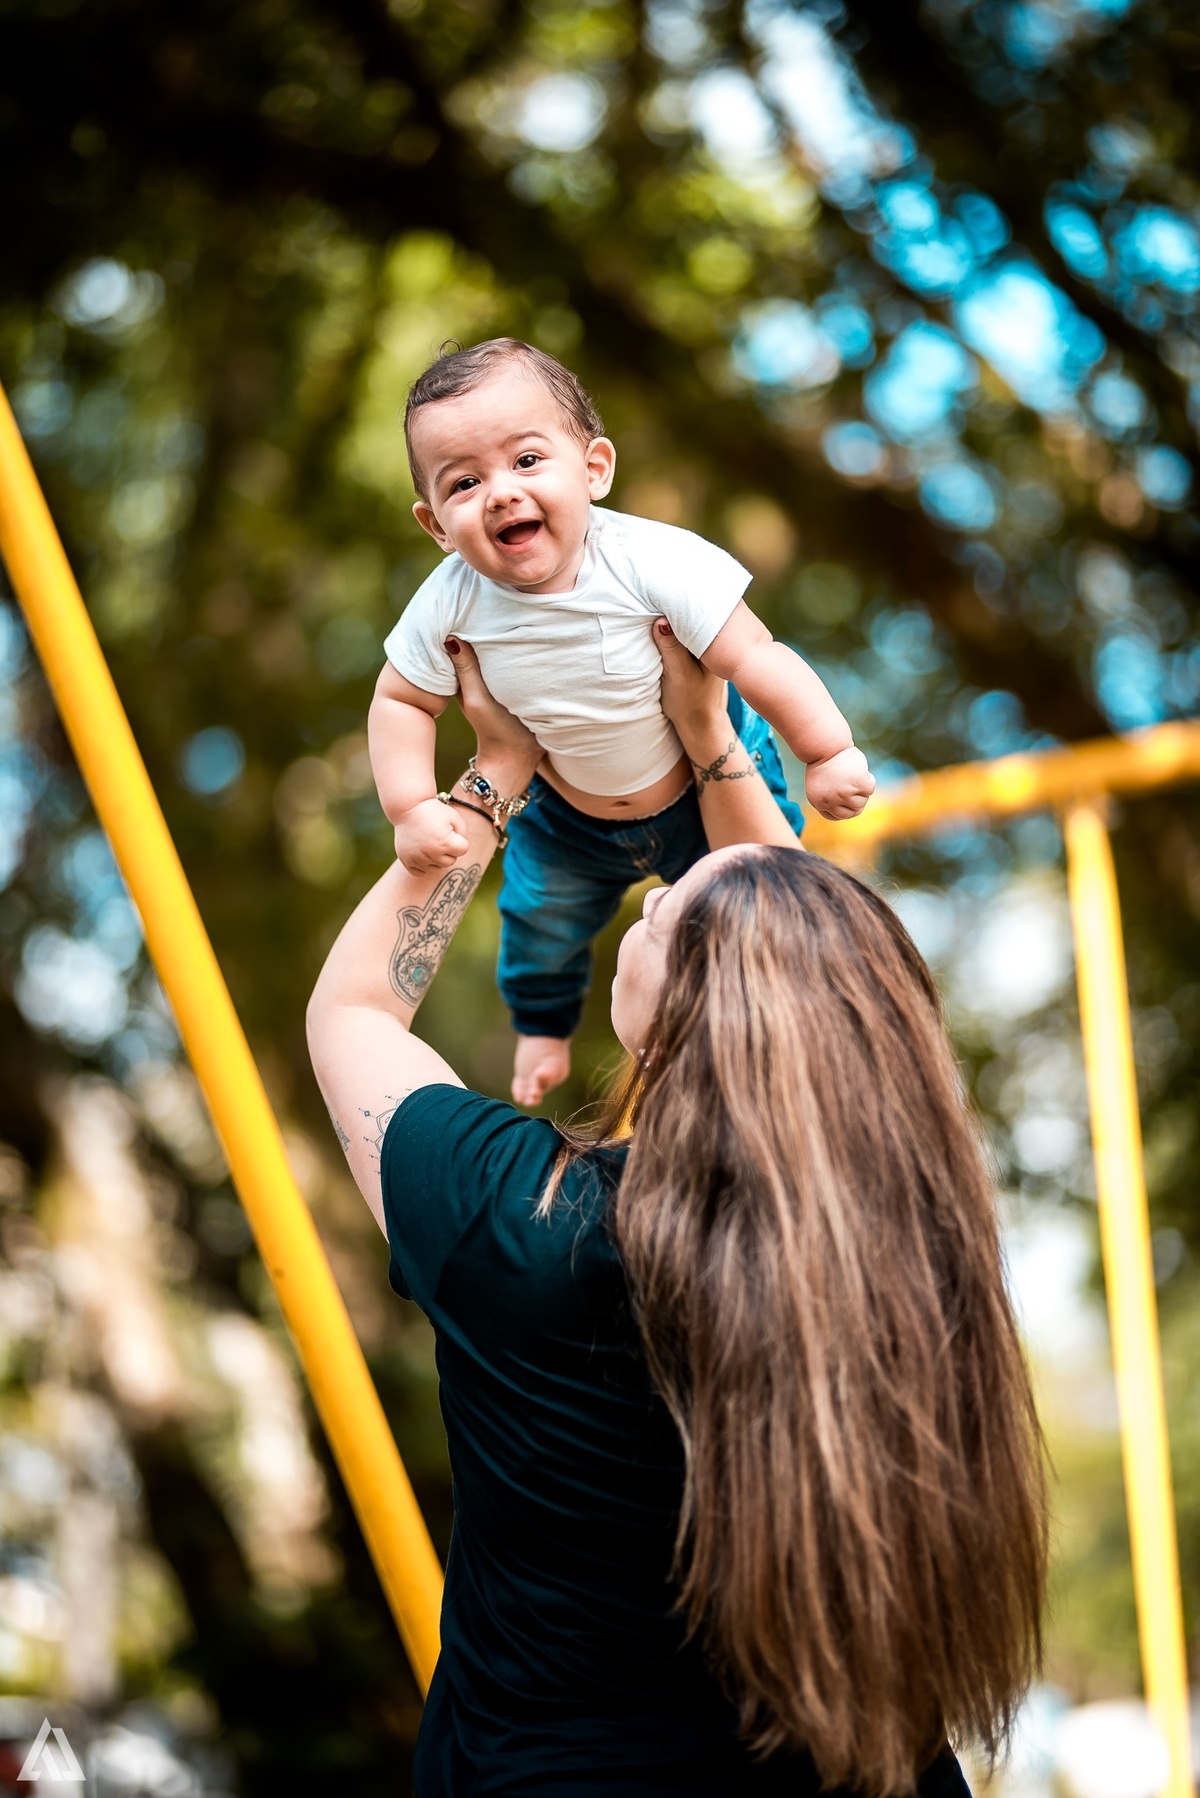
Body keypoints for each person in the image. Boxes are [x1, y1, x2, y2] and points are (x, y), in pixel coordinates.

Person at [309, 629, 1048, 1798]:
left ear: (678, 1012)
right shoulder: (916, 1264)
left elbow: (352, 1012)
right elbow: (793, 937)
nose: (645, 902)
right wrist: (705, 736)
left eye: (659, 912)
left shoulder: (525, 1219)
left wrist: (494, 768)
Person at [367, 337, 876, 1108]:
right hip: (565, 813)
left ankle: (799, 1054)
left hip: (699, 788)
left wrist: (827, 749)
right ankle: (542, 1027)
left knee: (761, 908)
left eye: (527, 461)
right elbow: (402, 702)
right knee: (537, 920)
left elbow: (757, 656)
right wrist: (409, 806)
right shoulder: (449, 601)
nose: (501, 492)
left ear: (595, 469)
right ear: (435, 524)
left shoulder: (654, 562)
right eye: (465, 482)